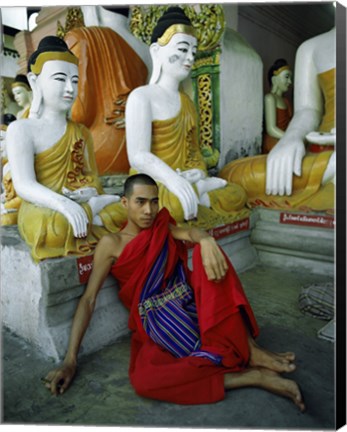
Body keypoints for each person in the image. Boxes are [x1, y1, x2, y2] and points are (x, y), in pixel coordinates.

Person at [43, 173, 305, 411]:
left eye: (154, 202)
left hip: (189, 301)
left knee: (206, 251)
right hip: (156, 319)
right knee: (146, 381)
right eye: (141, 202)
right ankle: (250, 375)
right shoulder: (112, 244)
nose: (149, 210)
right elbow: (88, 300)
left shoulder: (161, 227)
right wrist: (70, 360)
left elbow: (189, 231)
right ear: (125, 203)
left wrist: (206, 239)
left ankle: (251, 349)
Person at [6, 36, 127, 262]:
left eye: (75, 80)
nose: (70, 88)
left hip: (81, 199)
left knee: (124, 211)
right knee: (54, 228)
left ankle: (89, 212)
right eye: (60, 79)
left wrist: (88, 192)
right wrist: (64, 204)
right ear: (35, 82)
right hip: (44, 206)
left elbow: (91, 176)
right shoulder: (21, 129)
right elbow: (24, 184)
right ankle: (90, 215)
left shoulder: (81, 132)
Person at [125, 7, 248, 228]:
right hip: (155, 181)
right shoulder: (141, 96)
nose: (190, 57)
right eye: (182, 49)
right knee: (169, 206)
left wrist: (197, 173)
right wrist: (173, 179)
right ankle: (196, 195)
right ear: (156, 51)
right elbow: (138, 156)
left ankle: (197, 192)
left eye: (193, 51)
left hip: (185, 180)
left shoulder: (187, 103)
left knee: (236, 194)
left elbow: (193, 152)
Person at [219, 27, 335, 213]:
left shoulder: (284, 100)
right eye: (286, 77)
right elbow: (308, 110)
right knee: (232, 176)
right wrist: (293, 136)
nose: (289, 82)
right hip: (320, 153)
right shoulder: (311, 48)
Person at [64, 6, 150, 175]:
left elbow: (80, 113)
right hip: (143, 146)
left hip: (99, 152)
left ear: (91, 8)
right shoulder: (147, 50)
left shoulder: (80, 38)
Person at [263, 59, 293, 154]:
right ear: (274, 79)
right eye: (287, 77)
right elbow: (271, 129)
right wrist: (290, 138)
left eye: (290, 78)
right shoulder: (270, 98)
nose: (290, 82)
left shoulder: (286, 101)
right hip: (274, 140)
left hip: (285, 138)